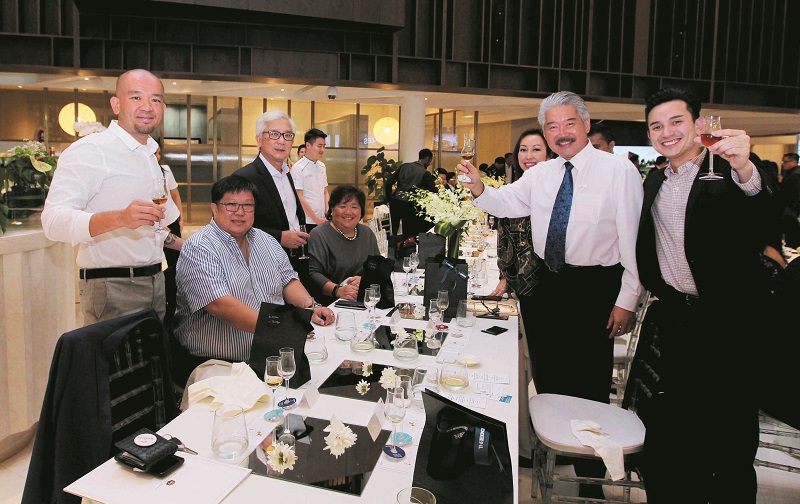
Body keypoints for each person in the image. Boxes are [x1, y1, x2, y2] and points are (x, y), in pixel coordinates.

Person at [458, 91, 643, 499]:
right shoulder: (542, 173)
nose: (561, 133)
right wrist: (479, 187)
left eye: (569, 123)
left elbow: (633, 241)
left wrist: (626, 299)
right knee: (549, 381)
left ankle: (590, 481)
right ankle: (553, 457)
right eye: (552, 126)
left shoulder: (618, 171)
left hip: (595, 287)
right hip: (548, 287)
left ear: (586, 125)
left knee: (588, 386)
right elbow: (507, 203)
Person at [634, 88, 775, 503]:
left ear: (698, 125)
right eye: (656, 126)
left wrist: (745, 167)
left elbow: (765, 216)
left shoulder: (727, 172)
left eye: (676, 122)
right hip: (679, 321)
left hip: (730, 324)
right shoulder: (655, 180)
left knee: (730, 439)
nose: (666, 132)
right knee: (676, 434)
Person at [42, 69, 183, 325]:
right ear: (116, 104)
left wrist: (196, 247)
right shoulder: (91, 150)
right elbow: (53, 222)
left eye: (155, 99)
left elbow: (155, 228)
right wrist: (120, 218)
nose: (147, 107)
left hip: (155, 281)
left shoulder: (149, 155)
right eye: (136, 97)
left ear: (163, 107)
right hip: (112, 286)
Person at [174, 175, 334, 368]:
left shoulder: (266, 240)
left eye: (247, 205)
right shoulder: (199, 247)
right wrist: (280, 326)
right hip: (218, 363)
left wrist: (310, 307)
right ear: (214, 209)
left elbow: (288, 281)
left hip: (271, 352)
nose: (240, 212)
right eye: (231, 205)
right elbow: (220, 305)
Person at [488, 129, 551, 467]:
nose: (529, 156)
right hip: (520, 288)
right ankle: (526, 439)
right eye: (524, 149)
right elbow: (507, 240)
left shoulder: (551, 193)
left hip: (543, 290)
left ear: (550, 155)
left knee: (539, 365)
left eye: (537, 149)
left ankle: (541, 442)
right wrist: (505, 277)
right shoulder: (516, 188)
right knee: (524, 362)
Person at [233, 110, 310, 286]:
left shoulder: (287, 173)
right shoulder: (244, 178)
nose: (281, 141)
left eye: (287, 135)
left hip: (293, 262)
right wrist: (279, 237)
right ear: (259, 140)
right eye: (274, 134)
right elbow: (231, 227)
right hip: (260, 268)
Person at [307, 185, 381, 304]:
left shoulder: (366, 233)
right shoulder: (319, 234)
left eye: (354, 207)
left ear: (361, 211)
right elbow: (313, 273)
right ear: (332, 209)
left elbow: (378, 265)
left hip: (363, 299)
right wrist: (337, 290)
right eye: (342, 206)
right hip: (330, 302)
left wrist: (365, 279)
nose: (348, 212)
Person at [155, 146, 184, 326]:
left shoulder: (165, 171)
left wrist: (180, 215)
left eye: (158, 153)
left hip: (170, 219)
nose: (157, 156)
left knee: (177, 263)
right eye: (154, 153)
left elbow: (174, 193)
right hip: (153, 224)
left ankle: (177, 303)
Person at [385, 148, 437, 237]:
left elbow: (389, 182)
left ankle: (393, 244)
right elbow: (433, 190)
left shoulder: (404, 166)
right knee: (408, 233)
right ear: (427, 159)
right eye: (430, 161)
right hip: (411, 206)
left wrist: (389, 198)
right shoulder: (425, 174)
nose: (429, 164)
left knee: (394, 230)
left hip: (396, 202)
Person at [291, 128, 329, 231]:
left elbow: (325, 192)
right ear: (308, 145)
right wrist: (316, 219)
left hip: (323, 219)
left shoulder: (322, 166)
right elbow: (299, 196)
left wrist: (327, 212)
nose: (322, 149)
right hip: (307, 221)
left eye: (324, 146)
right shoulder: (298, 168)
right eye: (319, 146)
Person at [780, 152, 800, 248]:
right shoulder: (793, 173)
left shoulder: (795, 175)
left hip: (791, 209)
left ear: (794, 162)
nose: (783, 164)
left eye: (785, 162)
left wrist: (793, 211)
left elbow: (797, 195)